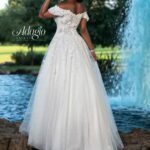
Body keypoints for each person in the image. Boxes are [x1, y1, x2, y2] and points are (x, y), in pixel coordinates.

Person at [19, 0, 124, 150]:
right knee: (80, 85)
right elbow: (83, 30)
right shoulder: (81, 6)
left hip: (60, 45)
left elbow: (41, 14)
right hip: (77, 45)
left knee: (58, 82)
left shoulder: (61, 6)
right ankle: (84, 134)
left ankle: (59, 134)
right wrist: (92, 50)